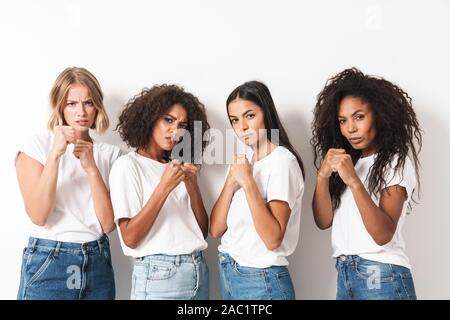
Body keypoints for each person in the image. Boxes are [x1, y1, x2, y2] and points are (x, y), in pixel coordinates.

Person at [311, 67, 422, 300]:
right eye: (343, 120)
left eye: (359, 117)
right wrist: (322, 177)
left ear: (379, 115)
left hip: (381, 274)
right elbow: (323, 221)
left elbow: (383, 234)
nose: (350, 128)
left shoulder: (395, 162)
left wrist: (353, 181)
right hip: (345, 273)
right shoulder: (350, 161)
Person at [16, 67, 122, 300]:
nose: (81, 112)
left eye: (88, 103)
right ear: (59, 107)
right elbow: (39, 216)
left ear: (98, 107)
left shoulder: (111, 155)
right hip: (49, 259)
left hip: (97, 261)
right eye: (71, 103)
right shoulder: (37, 147)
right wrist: (55, 154)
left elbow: (107, 225)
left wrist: (92, 168)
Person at [110, 84, 210, 299]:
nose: (175, 130)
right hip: (160, 275)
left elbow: (201, 233)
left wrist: (193, 188)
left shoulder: (179, 166)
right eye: (168, 120)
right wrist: (164, 187)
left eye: (183, 124)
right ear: (149, 119)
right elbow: (130, 238)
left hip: (197, 268)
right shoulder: (127, 166)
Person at [210, 80, 305, 300]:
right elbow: (215, 230)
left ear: (267, 113)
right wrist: (231, 183)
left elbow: (272, 239)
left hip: (261, 281)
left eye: (249, 116)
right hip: (229, 273)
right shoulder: (243, 163)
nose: (241, 127)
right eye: (234, 120)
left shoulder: (282, 162)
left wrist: (249, 183)